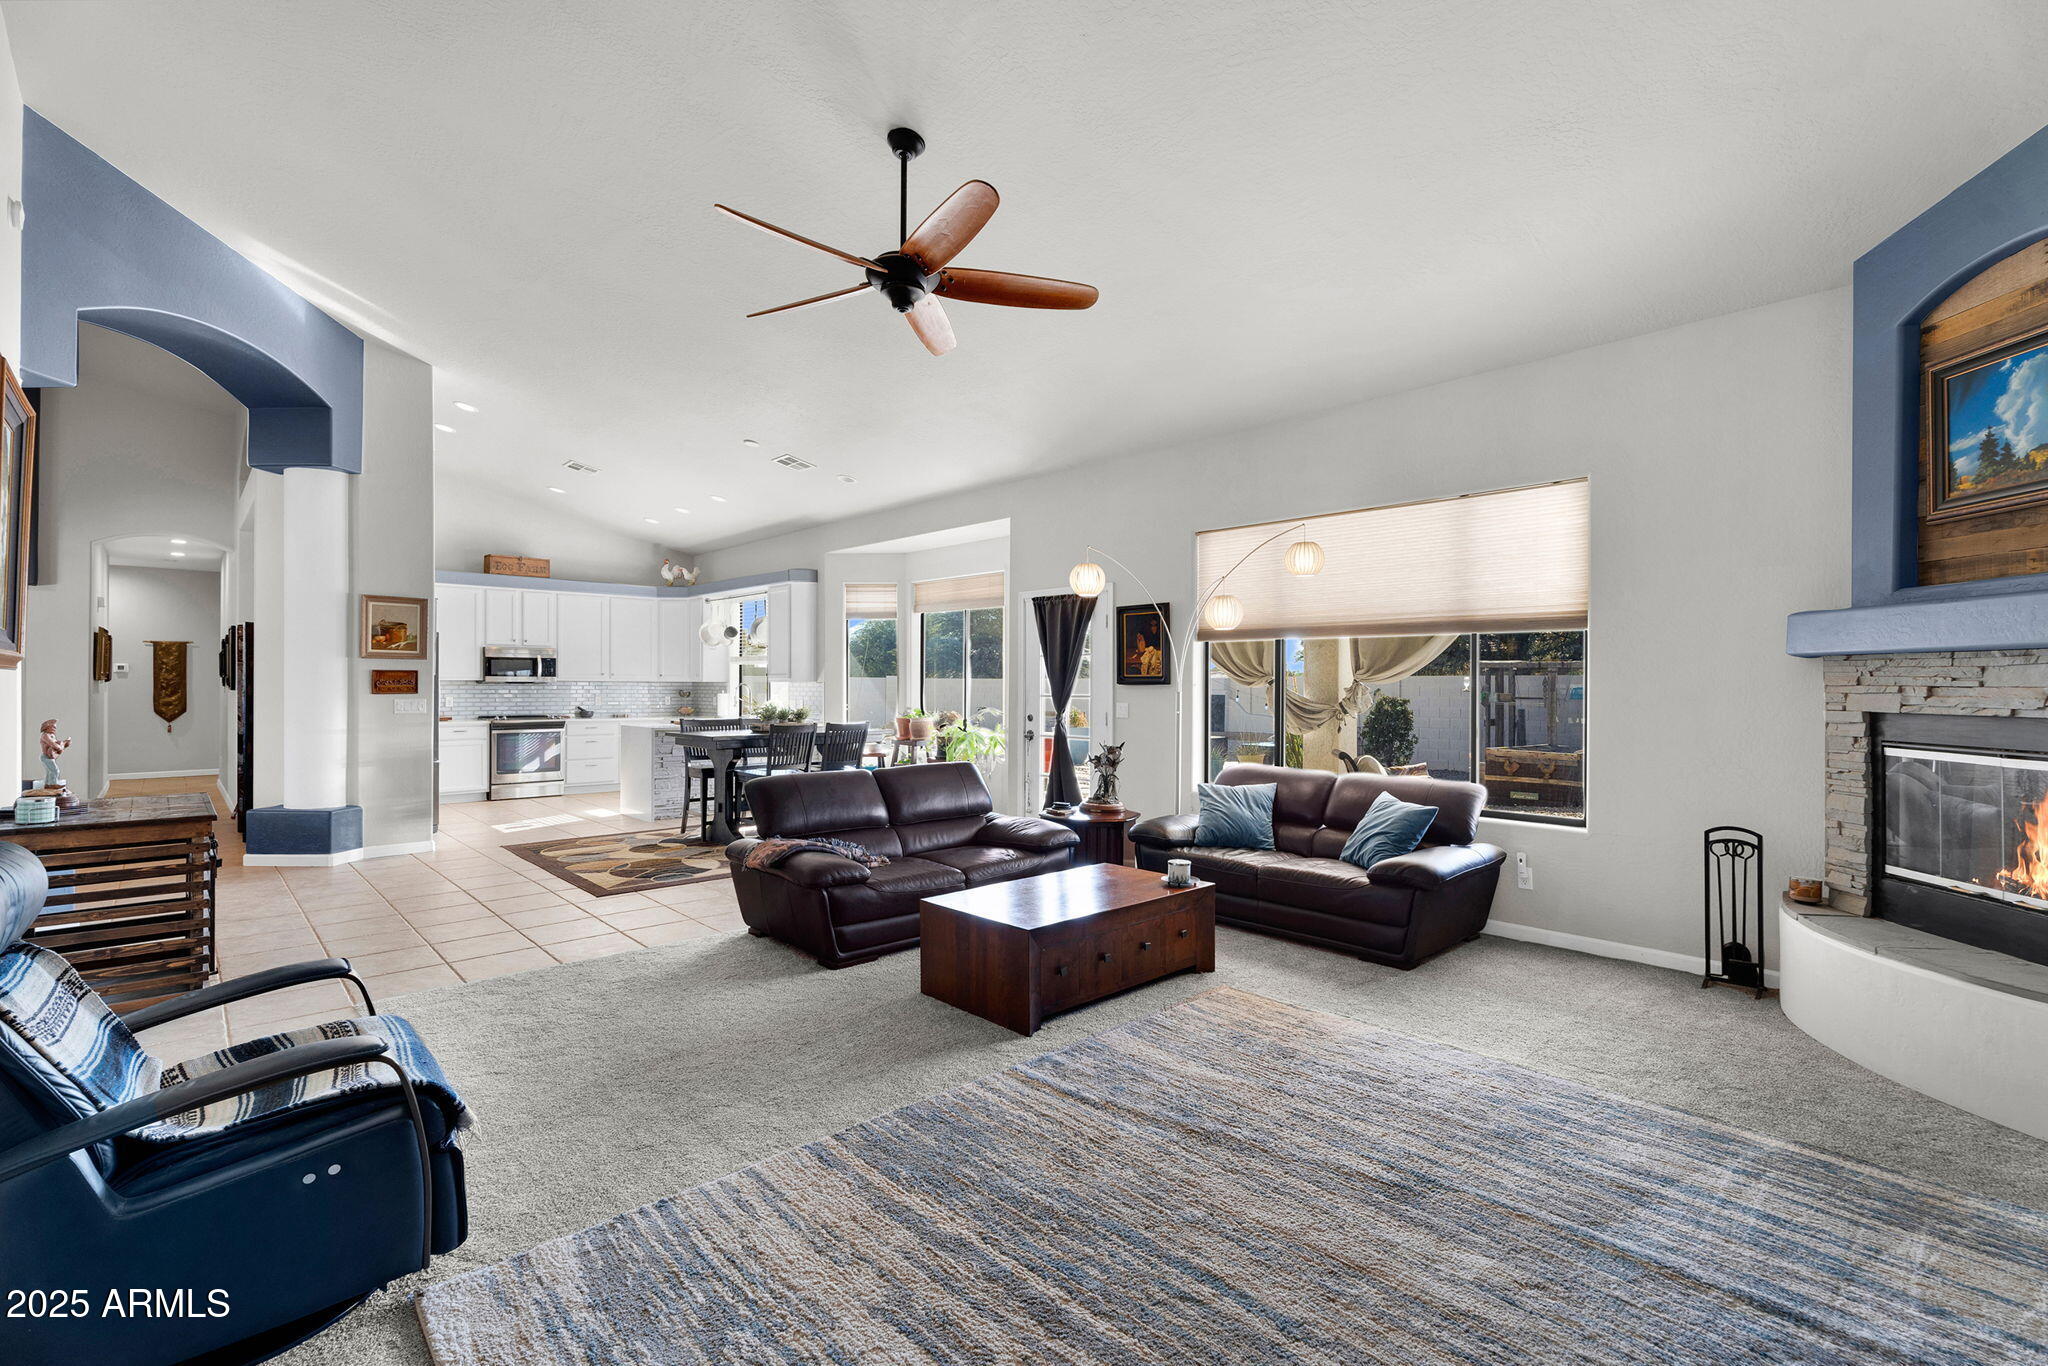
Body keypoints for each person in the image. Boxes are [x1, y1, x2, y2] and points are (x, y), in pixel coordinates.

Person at [39, 718, 72, 788]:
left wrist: (64, 745)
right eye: (53, 727)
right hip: (46, 757)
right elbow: (52, 744)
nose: (54, 729)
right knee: (55, 770)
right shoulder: (45, 735)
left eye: (55, 727)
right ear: (47, 727)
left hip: (50, 756)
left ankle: (48, 785)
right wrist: (60, 747)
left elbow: (56, 747)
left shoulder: (52, 736)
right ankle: (53, 784)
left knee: (49, 772)